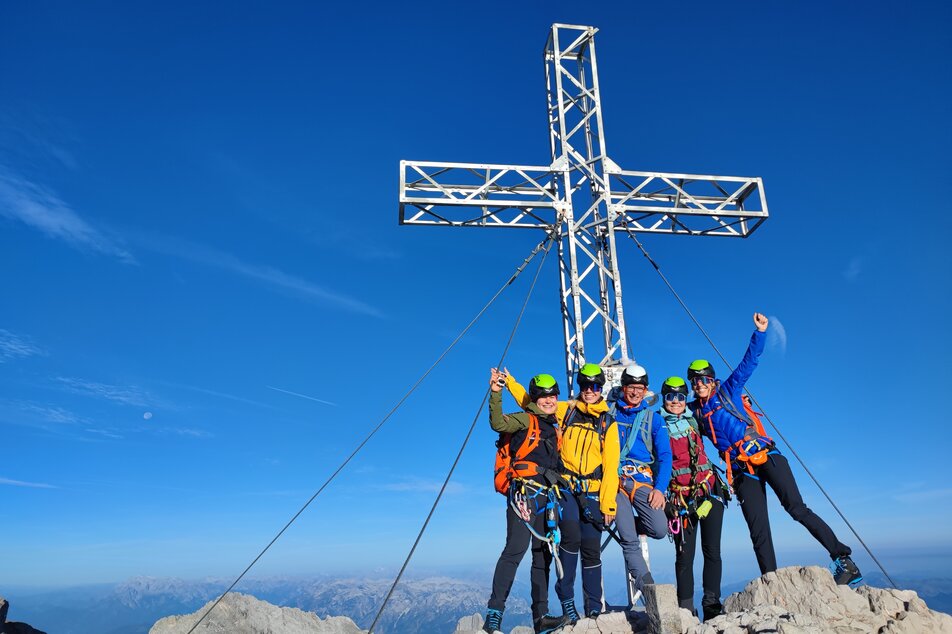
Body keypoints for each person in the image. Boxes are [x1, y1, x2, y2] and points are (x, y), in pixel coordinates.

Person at [688, 312, 862, 587]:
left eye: (704, 379)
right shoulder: (694, 414)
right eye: (694, 381)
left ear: (713, 379)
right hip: (742, 469)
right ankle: (771, 581)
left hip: (765, 454)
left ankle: (844, 559)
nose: (699, 384)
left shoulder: (728, 391)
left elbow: (749, 362)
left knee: (796, 508)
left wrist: (760, 332)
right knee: (758, 530)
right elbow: (671, 416)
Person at [506, 363, 620, 623]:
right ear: (579, 387)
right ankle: (567, 599)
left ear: (601, 388)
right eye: (585, 386)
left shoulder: (607, 422)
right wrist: (511, 382)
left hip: (594, 491)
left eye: (595, 386)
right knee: (570, 540)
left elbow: (611, 466)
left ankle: (593, 606)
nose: (590, 391)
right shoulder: (566, 410)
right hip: (566, 487)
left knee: (591, 549)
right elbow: (530, 402)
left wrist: (608, 504)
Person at [484, 369, 568, 634]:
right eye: (543, 396)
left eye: (552, 396)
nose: (548, 400)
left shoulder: (554, 429)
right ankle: (494, 615)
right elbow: (498, 423)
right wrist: (497, 393)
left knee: (541, 555)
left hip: (546, 497)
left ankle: (540, 617)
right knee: (515, 550)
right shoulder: (524, 419)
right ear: (533, 398)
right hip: (524, 494)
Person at [659, 376, 726, 620]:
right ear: (664, 398)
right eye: (670, 397)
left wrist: (740, 402)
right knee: (684, 556)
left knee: (712, 551)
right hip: (680, 499)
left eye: (680, 396)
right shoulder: (657, 425)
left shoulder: (695, 418)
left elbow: (718, 408)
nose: (675, 402)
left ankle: (711, 604)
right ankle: (686, 609)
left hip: (708, 491)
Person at [610, 364, 671, 601]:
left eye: (640, 388)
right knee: (629, 540)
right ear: (623, 388)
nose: (635, 392)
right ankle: (649, 589)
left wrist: (660, 489)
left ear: (645, 390)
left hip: (642, 481)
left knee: (659, 529)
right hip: (615, 482)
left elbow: (665, 457)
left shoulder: (653, 419)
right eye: (631, 387)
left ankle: (626, 522)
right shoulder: (610, 414)